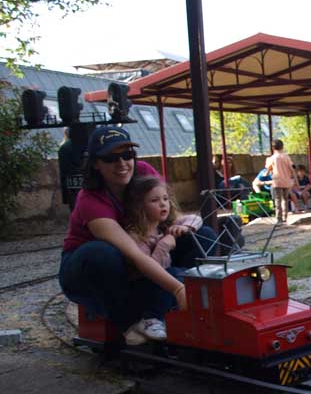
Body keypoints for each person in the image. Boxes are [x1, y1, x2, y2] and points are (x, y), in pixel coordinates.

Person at [58, 126, 213, 346]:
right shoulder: (90, 199)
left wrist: (169, 238)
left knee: (202, 236)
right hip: (92, 268)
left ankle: (185, 310)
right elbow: (133, 254)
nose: (121, 163)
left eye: (127, 154)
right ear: (95, 163)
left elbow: (170, 215)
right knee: (103, 253)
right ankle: (129, 323)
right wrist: (178, 288)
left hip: (145, 251)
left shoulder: (143, 172)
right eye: (110, 158)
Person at [122, 176, 203, 341]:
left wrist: (184, 227)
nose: (163, 204)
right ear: (139, 206)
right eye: (154, 200)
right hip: (144, 286)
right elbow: (150, 270)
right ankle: (150, 319)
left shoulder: (163, 225)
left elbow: (196, 219)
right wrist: (164, 245)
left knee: (203, 235)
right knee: (176, 274)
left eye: (165, 199)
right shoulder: (135, 235)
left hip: (166, 281)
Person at [265, 139, 295, 224]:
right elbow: (292, 167)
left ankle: (279, 218)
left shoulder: (272, 158)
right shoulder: (286, 156)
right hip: (286, 181)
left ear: (273, 148)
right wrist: (293, 177)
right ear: (282, 146)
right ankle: (285, 216)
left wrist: (266, 174)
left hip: (277, 181)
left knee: (278, 200)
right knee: (285, 199)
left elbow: (268, 169)